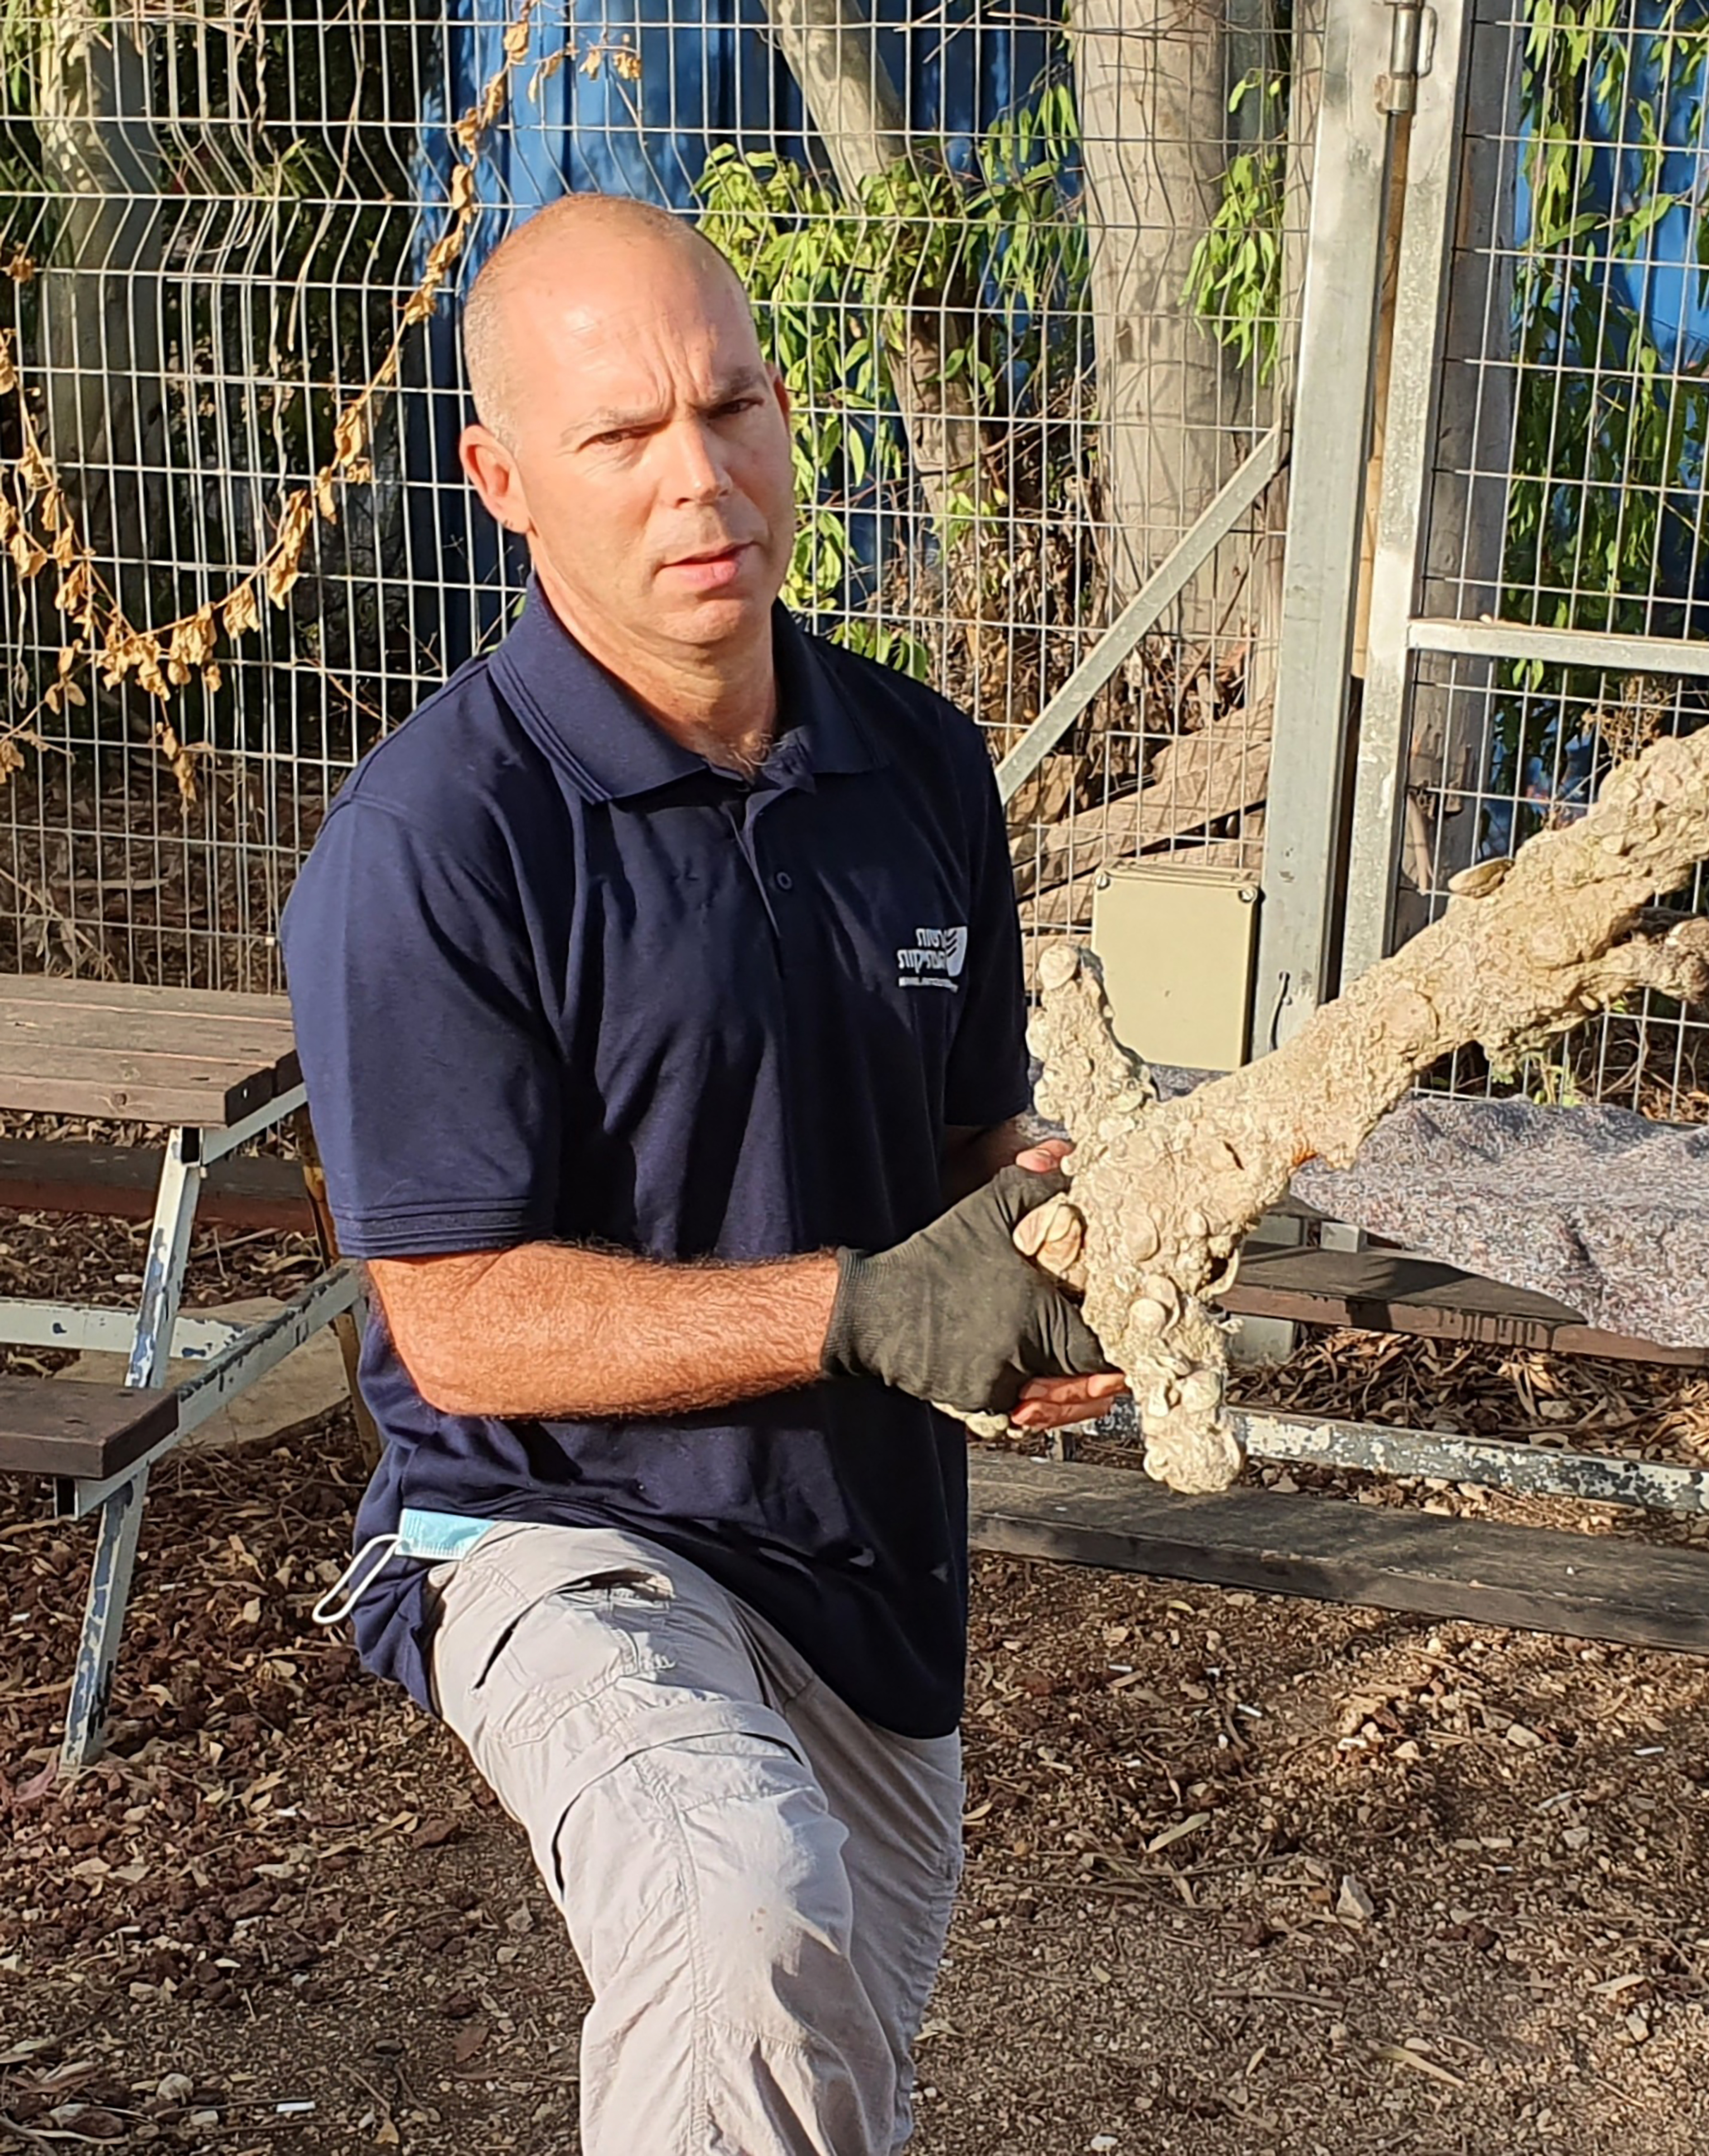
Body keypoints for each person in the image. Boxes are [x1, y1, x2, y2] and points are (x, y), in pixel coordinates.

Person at [284, 191, 1122, 2156]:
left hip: (865, 1570)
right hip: (549, 1538)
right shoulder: (438, 846)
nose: (702, 479)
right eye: (622, 439)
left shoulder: (916, 765)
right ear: (501, 478)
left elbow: (965, 1154)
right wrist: (859, 1308)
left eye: (731, 406)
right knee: (740, 1904)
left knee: (814, 2083)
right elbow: (461, 1323)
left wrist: (1077, 1252)